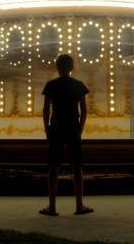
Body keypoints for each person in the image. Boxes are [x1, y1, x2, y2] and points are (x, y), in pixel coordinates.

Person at [39, 54, 94, 216]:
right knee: (76, 167)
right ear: (72, 68)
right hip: (73, 127)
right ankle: (79, 205)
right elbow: (84, 110)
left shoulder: (51, 85)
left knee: (53, 168)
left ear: (57, 67)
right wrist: (81, 129)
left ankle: (52, 206)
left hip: (55, 127)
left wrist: (47, 129)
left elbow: (46, 110)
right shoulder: (78, 86)